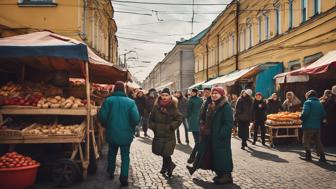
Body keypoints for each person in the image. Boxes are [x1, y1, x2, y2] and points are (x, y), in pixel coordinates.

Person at [187, 87, 234, 184]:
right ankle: (220, 174)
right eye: (213, 93)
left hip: (220, 137)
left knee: (222, 155)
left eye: (216, 93)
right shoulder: (212, 105)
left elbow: (228, 124)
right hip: (210, 135)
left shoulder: (226, 106)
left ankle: (227, 176)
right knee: (213, 155)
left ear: (221, 94)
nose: (214, 95)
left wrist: (220, 135)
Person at [98, 81, 140, 187]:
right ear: (124, 90)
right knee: (125, 155)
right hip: (126, 133)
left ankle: (111, 172)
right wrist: (131, 127)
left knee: (112, 153)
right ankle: (124, 177)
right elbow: (136, 118)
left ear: (114, 89)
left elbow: (102, 116)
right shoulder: (131, 102)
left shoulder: (108, 100)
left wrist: (105, 124)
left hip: (112, 132)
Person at [149, 88, 183, 178]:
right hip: (158, 134)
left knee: (166, 152)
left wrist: (171, 126)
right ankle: (166, 166)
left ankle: (169, 166)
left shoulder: (173, 106)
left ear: (169, 96)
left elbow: (179, 118)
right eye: (163, 95)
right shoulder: (156, 106)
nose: (164, 97)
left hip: (169, 135)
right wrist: (154, 127)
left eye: (166, 95)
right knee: (161, 152)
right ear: (160, 95)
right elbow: (151, 119)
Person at [300, 90, 326, 162]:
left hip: (308, 125)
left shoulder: (307, 102)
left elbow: (305, 113)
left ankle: (308, 157)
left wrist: (301, 117)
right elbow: (323, 114)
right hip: (317, 126)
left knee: (305, 141)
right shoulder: (319, 103)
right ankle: (322, 157)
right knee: (318, 141)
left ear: (308, 96)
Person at [187, 88, 203, 163]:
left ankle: (193, 157)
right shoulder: (200, 99)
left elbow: (188, 111)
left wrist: (188, 118)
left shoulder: (191, 100)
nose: (192, 93)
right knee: (198, 141)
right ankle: (195, 158)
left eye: (193, 92)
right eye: (192, 92)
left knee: (198, 141)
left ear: (196, 93)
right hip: (197, 121)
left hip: (194, 120)